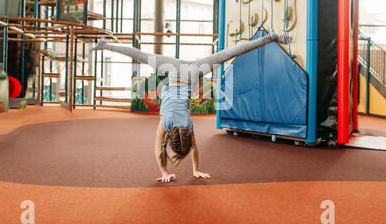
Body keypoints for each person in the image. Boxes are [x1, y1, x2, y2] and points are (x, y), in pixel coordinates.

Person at [93, 32, 290, 183]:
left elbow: (195, 149)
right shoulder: (167, 123)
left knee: (229, 54)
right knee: (142, 56)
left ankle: (271, 37)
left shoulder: (188, 126)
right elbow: (158, 148)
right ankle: (271, 37)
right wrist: (164, 172)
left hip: (194, 74)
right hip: (174, 71)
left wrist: (195, 169)